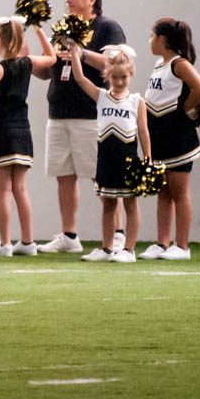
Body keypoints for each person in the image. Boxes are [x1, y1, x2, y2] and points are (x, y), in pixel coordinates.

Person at [36, 0, 127, 254]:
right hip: (59, 113)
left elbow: (117, 63)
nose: (69, 0)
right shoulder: (62, 29)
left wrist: (81, 53)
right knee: (64, 175)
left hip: (91, 113)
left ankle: (118, 233)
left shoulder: (107, 28)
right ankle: (69, 235)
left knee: (102, 176)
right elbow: (46, 70)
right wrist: (26, 61)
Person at [0, 16, 56, 256]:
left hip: (2, 131)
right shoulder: (28, 63)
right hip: (22, 130)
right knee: (21, 189)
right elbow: (52, 58)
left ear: (0, 41)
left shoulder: (0, 67)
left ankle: (6, 243)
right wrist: (38, 29)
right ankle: (28, 242)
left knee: (3, 190)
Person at [67, 43, 150, 263]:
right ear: (107, 75)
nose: (119, 82)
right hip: (106, 158)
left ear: (131, 75)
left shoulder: (136, 101)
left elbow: (143, 131)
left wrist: (148, 159)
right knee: (108, 204)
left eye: (124, 77)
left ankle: (129, 250)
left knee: (131, 204)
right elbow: (80, 79)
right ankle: (107, 248)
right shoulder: (101, 96)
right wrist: (74, 53)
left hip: (128, 158)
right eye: (114, 77)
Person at [139, 19, 200, 261]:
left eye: (152, 35)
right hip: (160, 135)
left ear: (162, 39)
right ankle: (162, 243)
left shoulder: (179, 64)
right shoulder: (160, 65)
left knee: (179, 191)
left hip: (178, 135)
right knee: (163, 192)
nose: (149, 40)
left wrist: (185, 109)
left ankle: (182, 246)